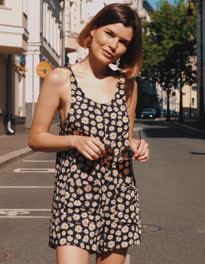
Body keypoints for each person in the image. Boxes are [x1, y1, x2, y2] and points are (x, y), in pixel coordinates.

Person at [28, 3, 149, 264]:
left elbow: (124, 139)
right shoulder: (60, 78)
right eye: (109, 33)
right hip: (74, 196)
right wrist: (74, 140)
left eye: (123, 42)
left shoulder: (127, 85)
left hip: (119, 196)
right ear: (93, 30)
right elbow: (36, 137)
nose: (113, 45)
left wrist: (137, 146)